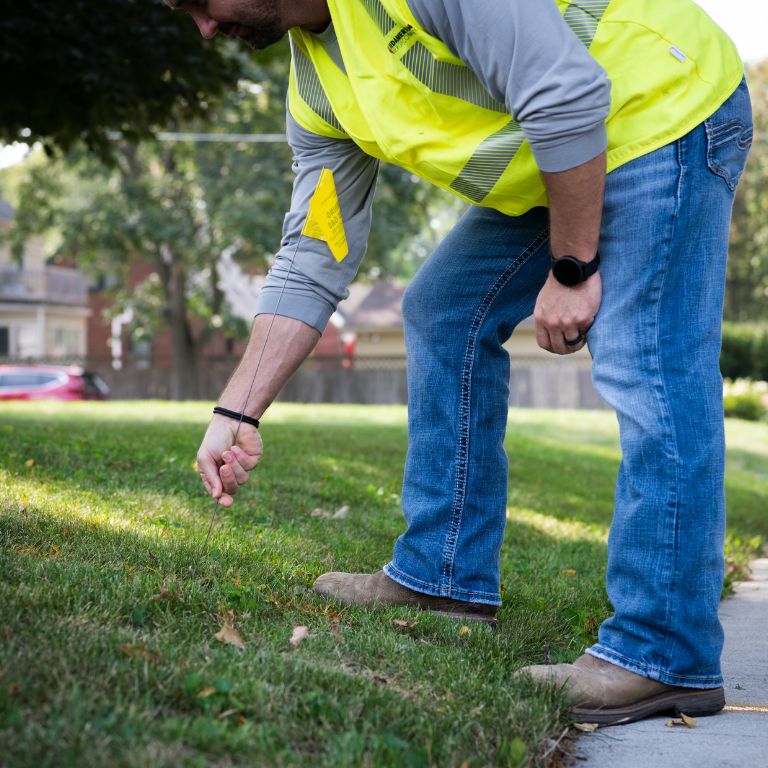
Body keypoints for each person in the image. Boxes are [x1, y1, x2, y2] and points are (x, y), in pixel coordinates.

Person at [168, 0, 753, 725]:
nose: (202, 28)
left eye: (200, 1)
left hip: (658, 109)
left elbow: (565, 91)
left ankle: (664, 652)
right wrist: (236, 411)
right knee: (446, 308)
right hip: (563, 148)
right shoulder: (318, 88)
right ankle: (443, 575)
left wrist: (573, 269)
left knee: (648, 365)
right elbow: (312, 256)